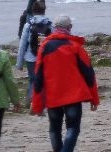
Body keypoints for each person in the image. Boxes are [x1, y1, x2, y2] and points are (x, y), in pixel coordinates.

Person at [31, 15, 99, 152]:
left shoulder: (44, 46)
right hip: (74, 95)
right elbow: (89, 74)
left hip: (53, 94)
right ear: (69, 28)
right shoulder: (75, 46)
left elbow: (37, 77)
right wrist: (94, 98)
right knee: (73, 127)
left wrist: (37, 103)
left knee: (55, 128)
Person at [16, 0, 52, 106]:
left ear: (33, 11)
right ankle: (44, 102)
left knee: (32, 80)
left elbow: (22, 44)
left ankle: (30, 101)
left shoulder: (28, 25)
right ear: (44, 10)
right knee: (45, 80)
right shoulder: (50, 24)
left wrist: (19, 63)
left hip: (31, 57)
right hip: (46, 57)